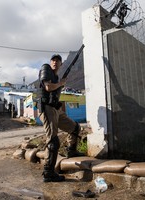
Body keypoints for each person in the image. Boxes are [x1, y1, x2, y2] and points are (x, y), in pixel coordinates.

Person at [38, 54, 84, 182]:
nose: (55, 62)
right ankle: (48, 172)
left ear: (61, 64)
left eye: (58, 60)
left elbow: (54, 94)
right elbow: (47, 87)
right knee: (53, 141)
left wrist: (60, 84)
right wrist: (61, 83)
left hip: (55, 109)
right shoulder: (46, 69)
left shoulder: (57, 77)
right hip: (46, 108)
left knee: (75, 128)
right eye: (53, 60)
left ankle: (71, 151)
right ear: (50, 61)